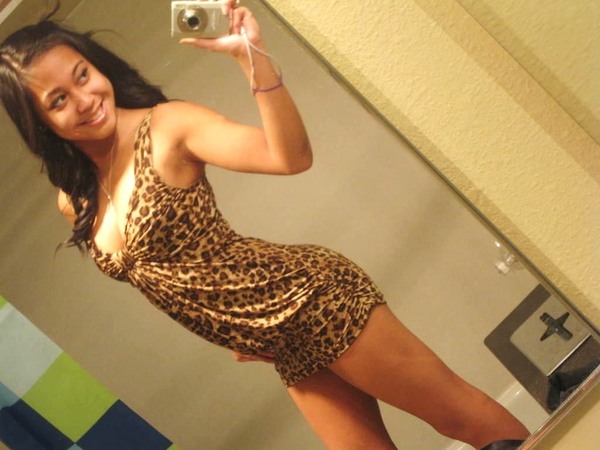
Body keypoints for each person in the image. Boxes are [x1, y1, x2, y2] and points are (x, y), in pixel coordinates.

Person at [0, 1, 529, 449]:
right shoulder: (73, 200)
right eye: (58, 100)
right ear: (38, 122)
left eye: (83, 75)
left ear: (97, 66)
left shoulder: (168, 125)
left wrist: (251, 57)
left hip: (311, 297)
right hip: (275, 339)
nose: (85, 100)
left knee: (457, 417)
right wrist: (235, 327)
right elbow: (166, 278)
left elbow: (289, 157)